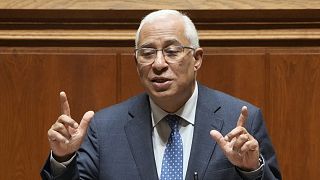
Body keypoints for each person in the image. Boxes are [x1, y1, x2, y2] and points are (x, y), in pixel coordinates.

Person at [41, 9, 281, 180]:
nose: (158, 64)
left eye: (172, 51)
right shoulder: (104, 129)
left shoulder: (240, 121)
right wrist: (63, 160)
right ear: (137, 64)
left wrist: (251, 172)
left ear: (196, 59)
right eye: (146, 53)